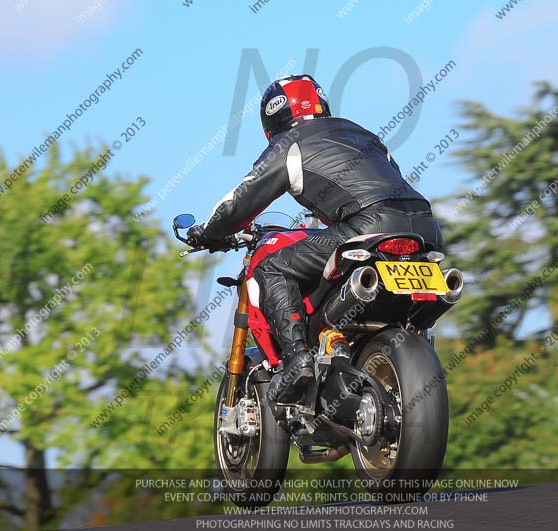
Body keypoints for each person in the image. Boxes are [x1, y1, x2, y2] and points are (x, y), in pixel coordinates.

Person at [187, 74, 443, 398]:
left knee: (272, 268)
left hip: (366, 227)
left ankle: (297, 360)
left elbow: (241, 200)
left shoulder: (290, 143)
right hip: (425, 226)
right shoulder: (362, 134)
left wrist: (206, 232)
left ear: (271, 120)